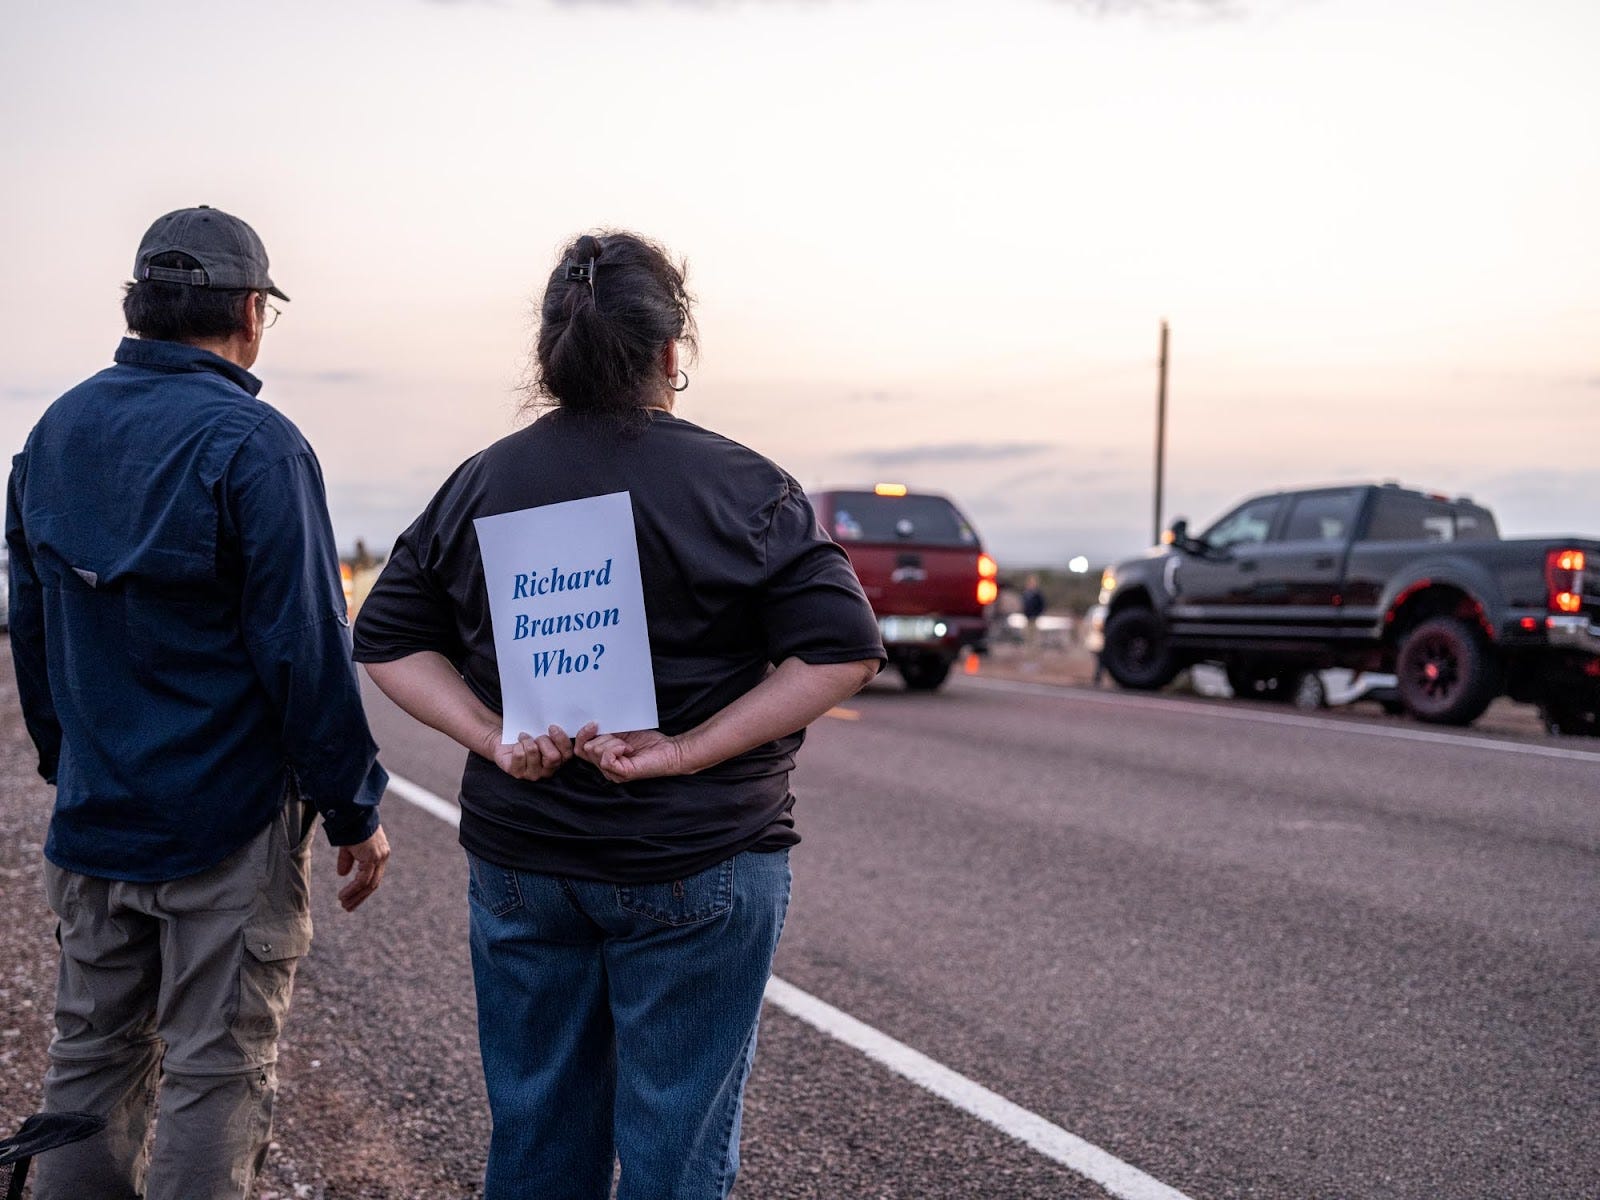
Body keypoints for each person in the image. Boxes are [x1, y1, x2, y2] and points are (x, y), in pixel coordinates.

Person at [352, 230, 884, 1200]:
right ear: (671, 355)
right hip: (697, 862)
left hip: (524, 863)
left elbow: (385, 640)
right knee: (675, 1152)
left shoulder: (478, 484)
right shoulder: (743, 487)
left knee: (537, 1136)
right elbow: (841, 651)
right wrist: (684, 751)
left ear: (548, 356)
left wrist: (491, 735)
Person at [5, 205, 391, 1200]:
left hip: (97, 816)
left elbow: (35, 634)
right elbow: (306, 653)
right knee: (214, 1070)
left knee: (87, 1063)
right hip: (225, 823)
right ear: (251, 312)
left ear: (137, 308)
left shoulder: (52, 435)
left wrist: (71, 765)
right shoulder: (256, 444)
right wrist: (352, 809)